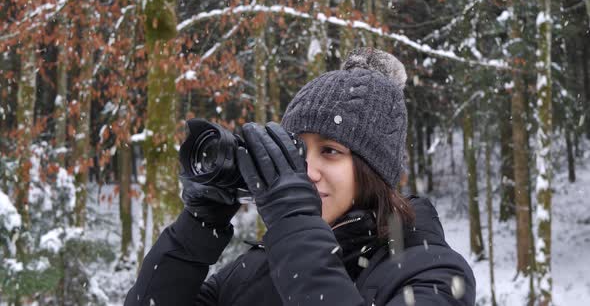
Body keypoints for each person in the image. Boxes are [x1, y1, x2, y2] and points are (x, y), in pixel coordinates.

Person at [124, 48, 476, 306]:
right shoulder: (255, 269)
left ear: (374, 171)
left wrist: (293, 224)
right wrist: (196, 229)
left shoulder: (433, 274)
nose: (306, 171)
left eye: (330, 151)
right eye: (296, 151)